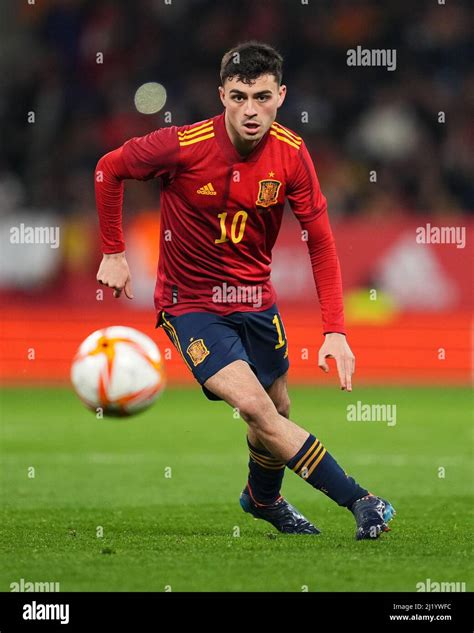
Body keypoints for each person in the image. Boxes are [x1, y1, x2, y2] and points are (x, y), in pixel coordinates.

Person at [95, 41, 394, 539]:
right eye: (238, 97)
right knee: (255, 407)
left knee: (277, 411)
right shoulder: (183, 145)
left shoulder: (293, 156)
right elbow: (110, 168)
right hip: (189, 305)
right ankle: (361, 500)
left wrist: (335, 331)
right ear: (222, 96)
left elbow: (320, 242)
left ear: (281, 95)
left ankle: (262, 499)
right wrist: (112, 250)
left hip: (256, 300)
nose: (249, 110)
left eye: (260, 96)